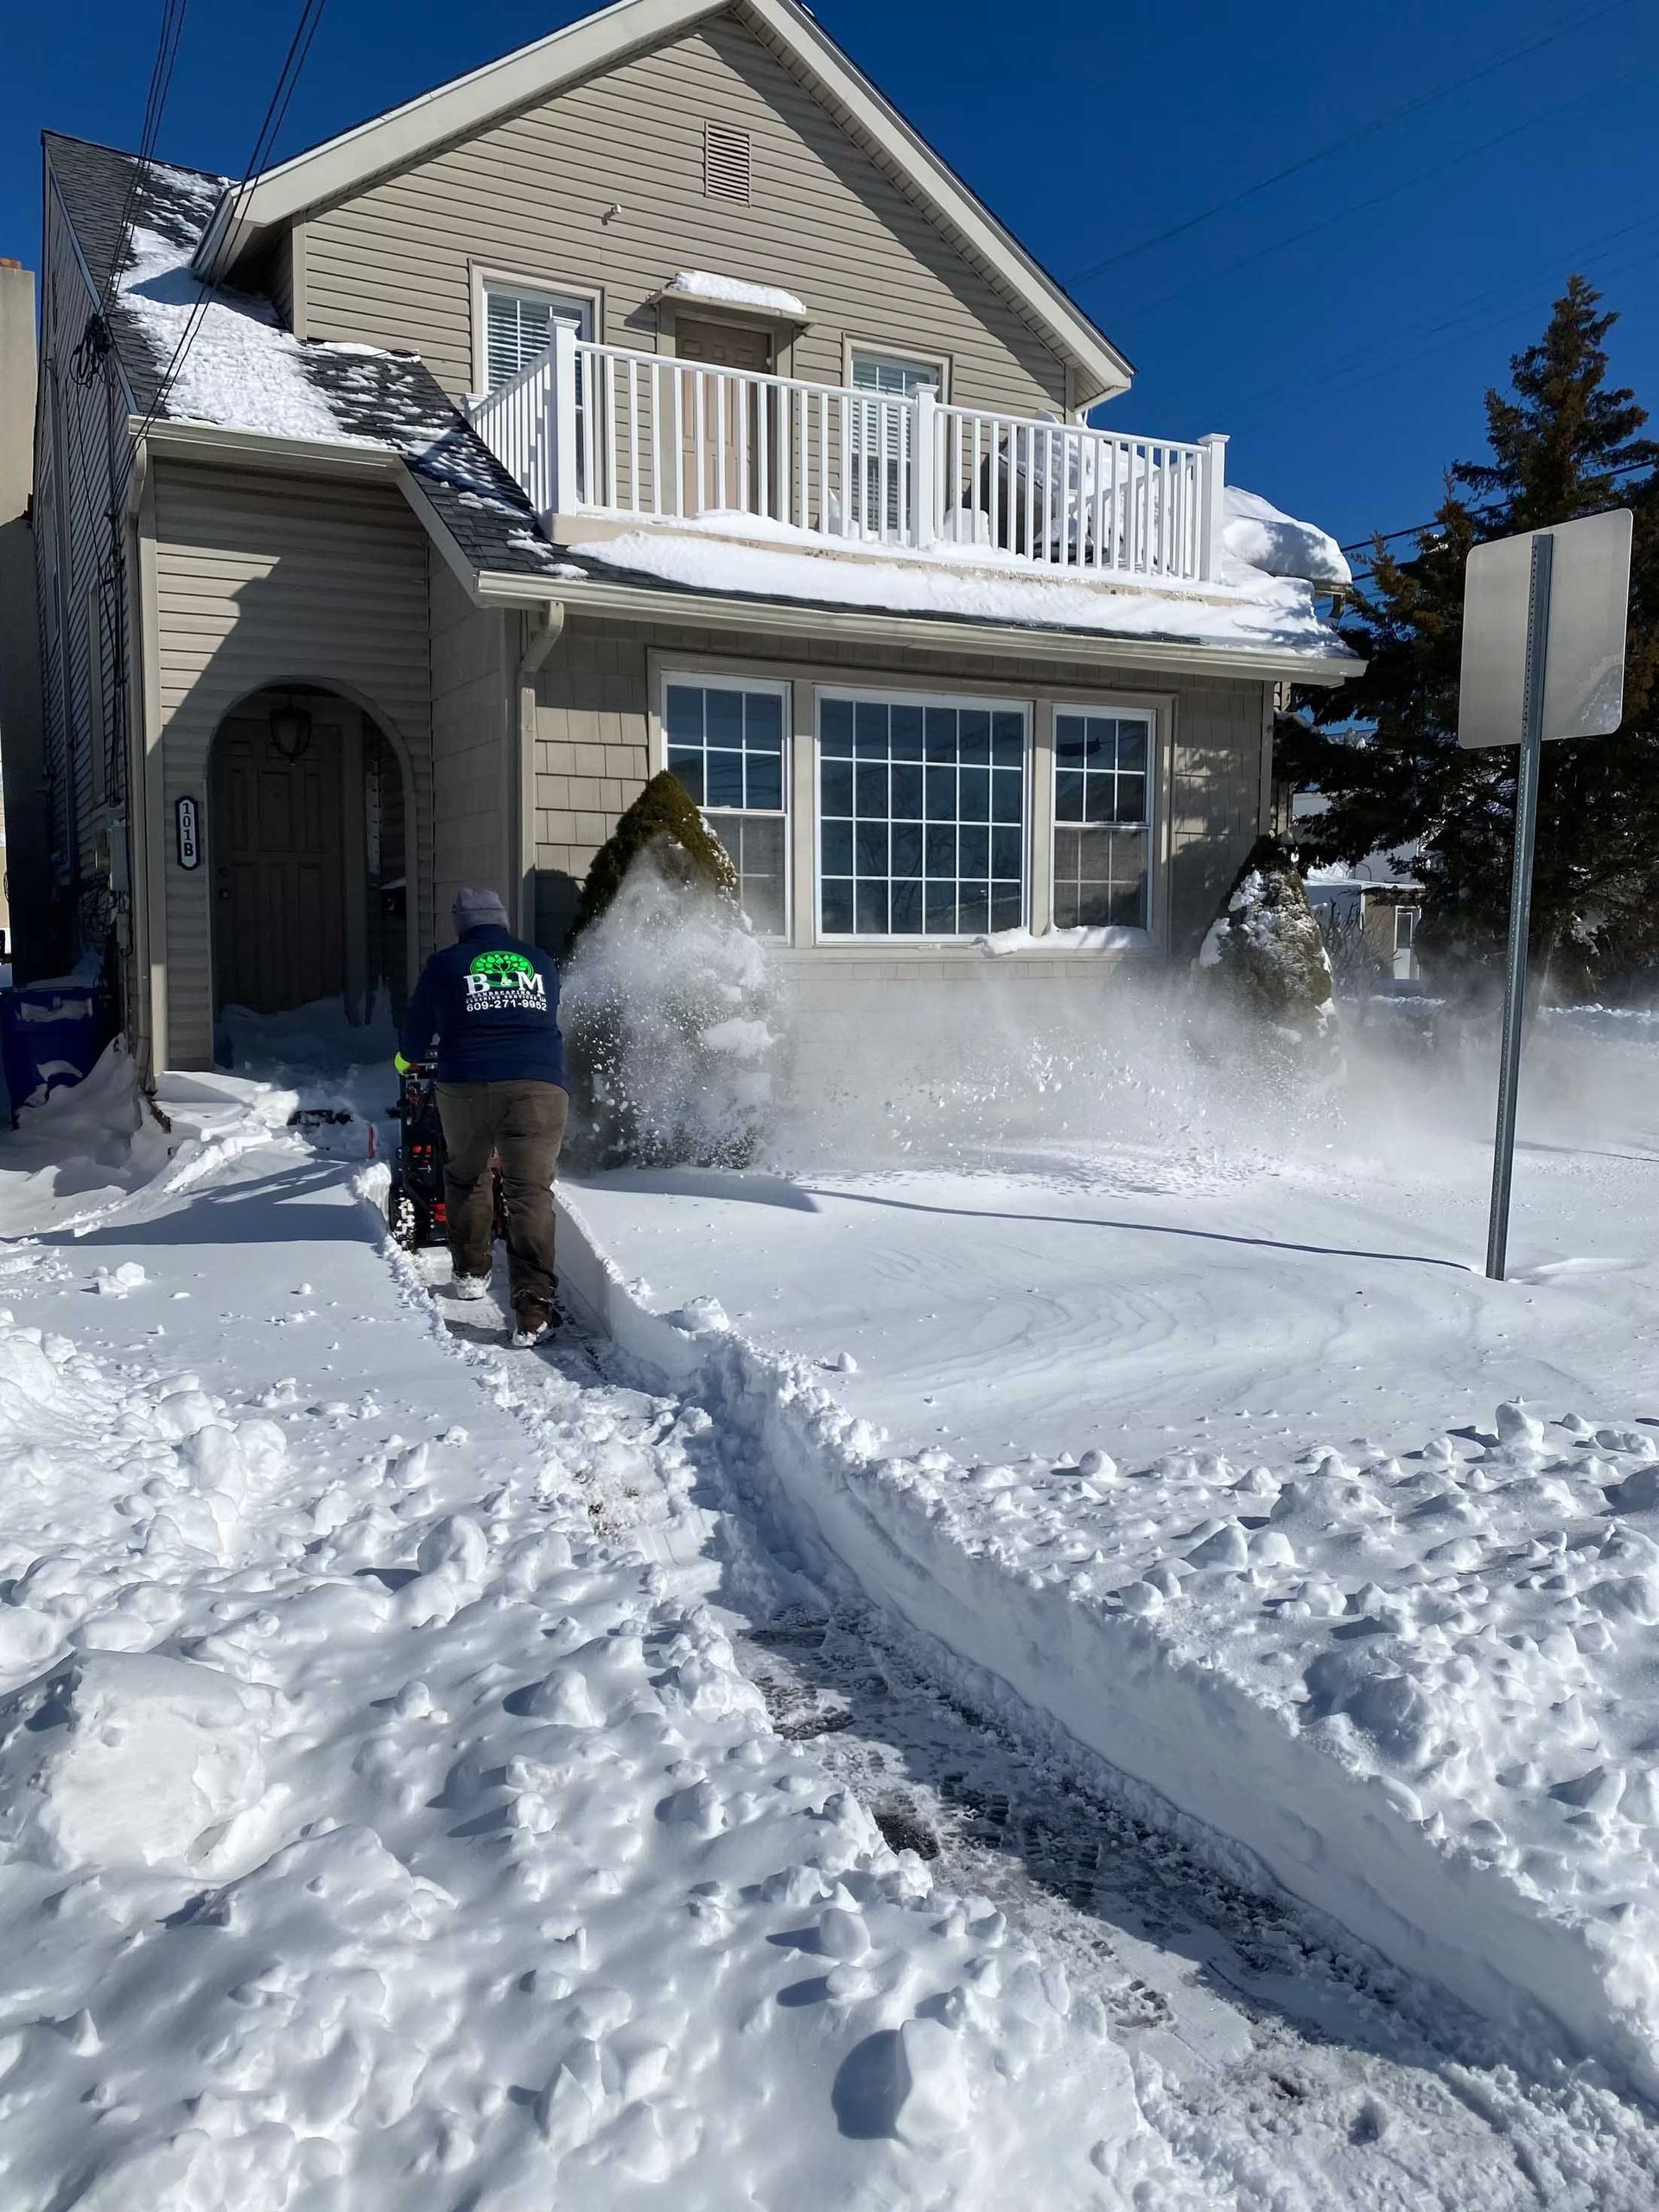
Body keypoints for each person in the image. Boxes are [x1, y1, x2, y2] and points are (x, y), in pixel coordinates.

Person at [397, 888, 569, 1345]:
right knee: (530, 1191)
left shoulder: (445, 964)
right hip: (539, 1084)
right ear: (503, 922)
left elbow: (416, 1033)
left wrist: (404, 1061)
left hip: (467, 1082)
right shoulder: (540, 961)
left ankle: (471, 1272)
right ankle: (534, 1309)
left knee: (467, 1173)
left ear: (461, 924)